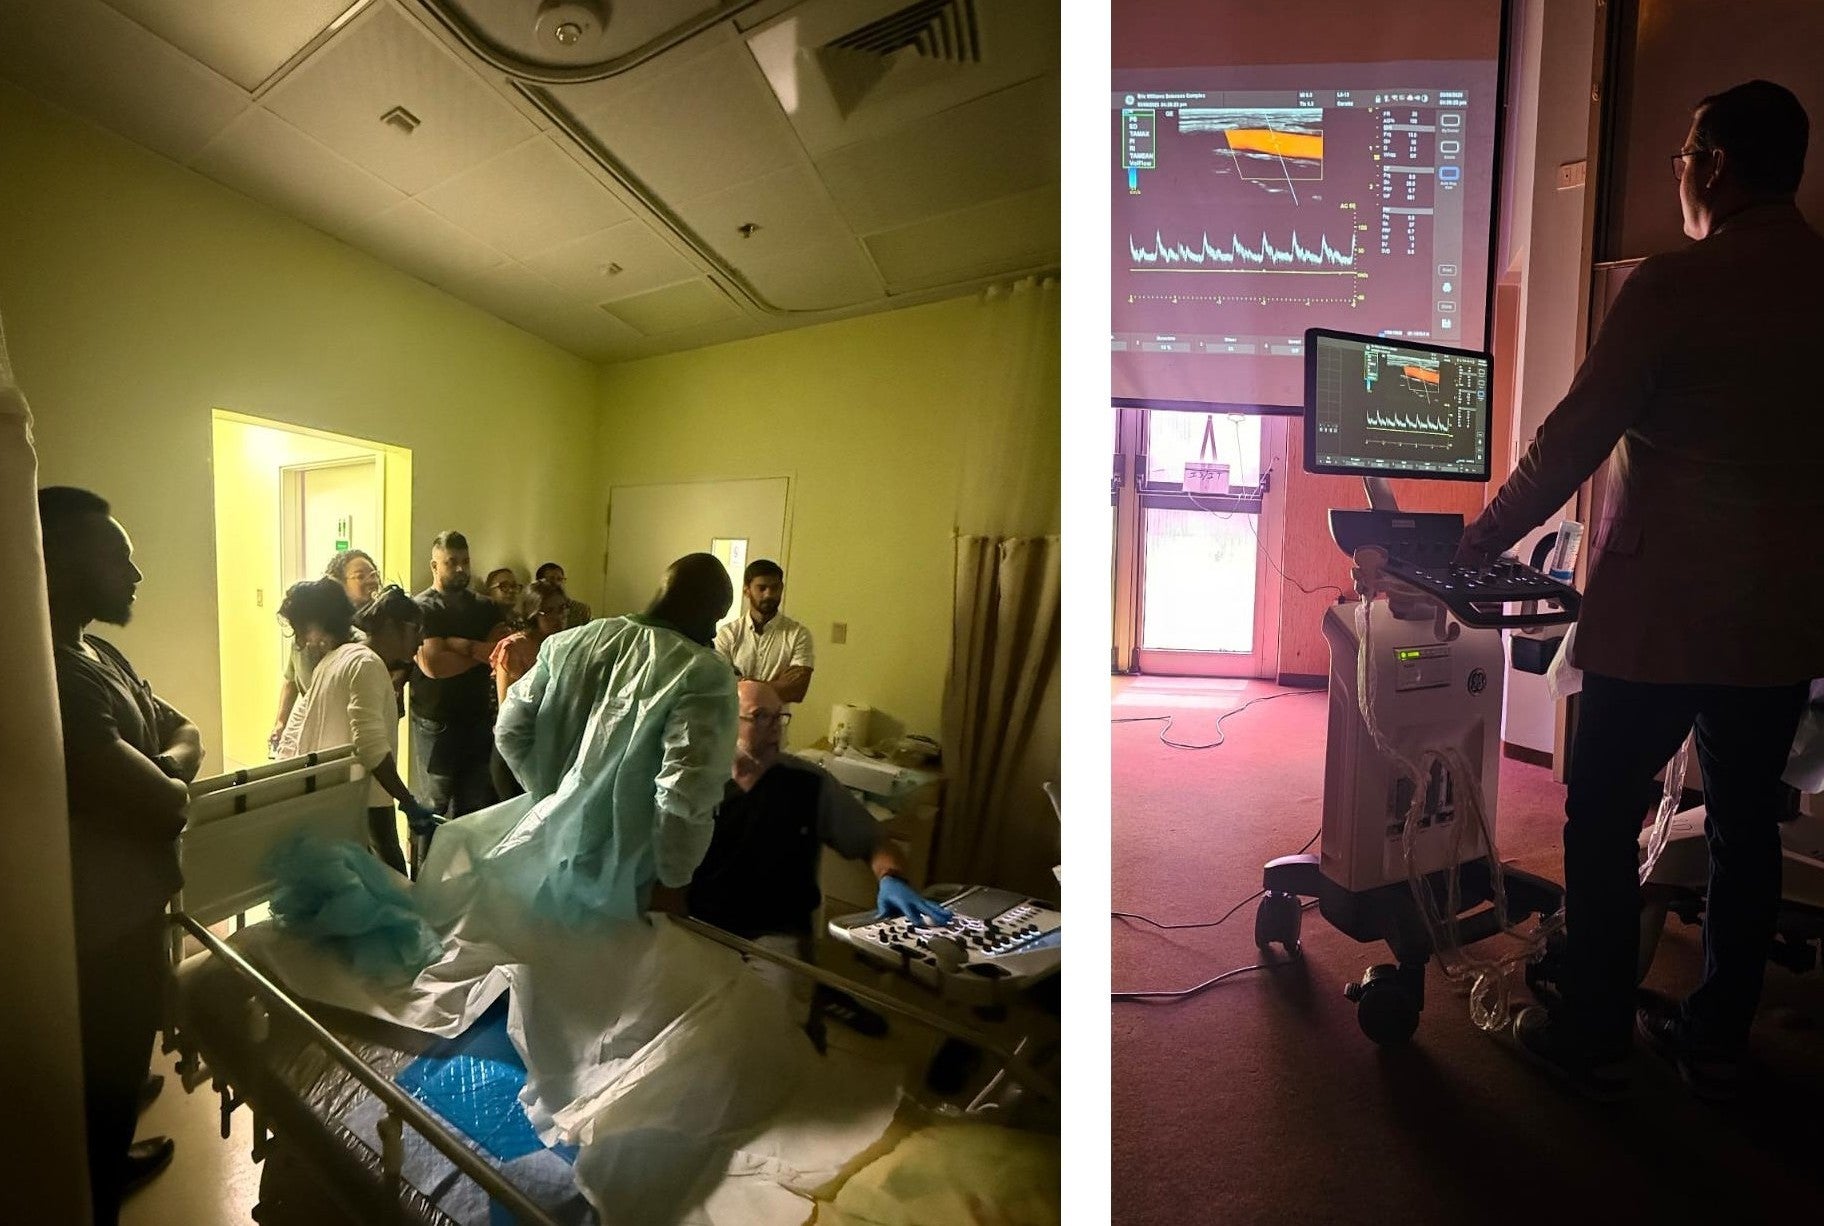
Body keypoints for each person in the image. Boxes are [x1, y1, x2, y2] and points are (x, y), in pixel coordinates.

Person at [1454, 80, 1824, 1100]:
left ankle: (1594, 1026)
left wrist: (1476, 542)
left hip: (1661, 616)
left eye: (1682, 160)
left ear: (1708, 165)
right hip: (1782, 624)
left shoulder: (1670, 286)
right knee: (1750, 825)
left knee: (1602, 813)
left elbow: (1569, 440)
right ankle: (1714, 1037)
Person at [40, 487, 199, 1221]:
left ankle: (108, 1154)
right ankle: (96, 1194)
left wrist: (164, 768)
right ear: (58, 559)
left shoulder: (98, 650)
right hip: (95, 921)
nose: (135, 577)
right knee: (103, 1065)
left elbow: (183, 727)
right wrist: (168, 780)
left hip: (133, 901)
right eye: (118, 559)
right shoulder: (50, 678)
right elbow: (166, 802)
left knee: (125, 1053)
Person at [687, 680, 953, 1041]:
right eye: (760, 717)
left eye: (780, 717)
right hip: (702, 927)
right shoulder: (697, 782)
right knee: (690, 1029)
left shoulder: (808, 784)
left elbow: (873, 839)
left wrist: (892, 878)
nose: (774, 728)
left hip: (775, 933)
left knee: (773, 1029)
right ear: (725, 722)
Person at [492, 553, 739, 921]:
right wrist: (674, 881)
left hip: (549, 845)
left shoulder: (571, 643)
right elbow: (685, 789)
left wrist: (555, 797)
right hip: (630, 875)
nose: (714, 632)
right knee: (609, 973)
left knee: (545, 963)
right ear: (700, 607)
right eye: (716, 617)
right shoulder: (701, 672)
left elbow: (509, 731)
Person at [274, 577, 438, 875]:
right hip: (358, 795)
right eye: (416, 630)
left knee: (372, 870)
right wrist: (408, 799)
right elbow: (371, 747)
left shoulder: (337, 658)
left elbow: (297, 729)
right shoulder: (365, 664)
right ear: (391, 626)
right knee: (387, 876)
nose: (421, 641)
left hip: (341, 795)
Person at [411, 531, 506, 818]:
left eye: (465, 561)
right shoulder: (421, 608)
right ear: (434, 566)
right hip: (436, 722)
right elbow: (435, 666)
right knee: (432, 807)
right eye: (451, 562)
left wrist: (459, 644)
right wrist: (478, 653)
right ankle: (426, 864)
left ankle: (464, 865)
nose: (461, 568)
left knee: (473, 807)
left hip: (477, 719)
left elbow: (497, 655)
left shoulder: (487, 607)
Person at [267, 548, 379, 755]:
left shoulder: (358, 656)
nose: (300, 639)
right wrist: (281, 723)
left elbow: (370, 741)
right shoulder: (301, 644)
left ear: (321, 620)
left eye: (303, 629)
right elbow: (292, 683)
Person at [487, 578, 570, 799]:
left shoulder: (566, 645)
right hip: (516, 748)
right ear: (533, 613)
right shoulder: (514, 647)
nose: (558, 617)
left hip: (550, 747)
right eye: (548, 611)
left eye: (562, 609)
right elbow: (508, 711)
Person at [714, 559, 814, 705]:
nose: (769, 594)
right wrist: (779, 684)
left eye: (775, 588)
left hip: (775, 724)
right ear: (746, 590)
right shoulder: (728, 634)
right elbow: (719, 684)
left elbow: (797, 690)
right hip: (733, 724)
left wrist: (742, 683)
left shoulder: (798, 634)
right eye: (762, 588)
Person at [536, 560, 592, 625]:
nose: (556, 583)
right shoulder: (534, 609)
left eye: (559, 579)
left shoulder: (580, 609)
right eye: (551, 579)